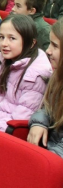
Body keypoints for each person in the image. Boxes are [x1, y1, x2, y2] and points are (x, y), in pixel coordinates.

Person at [28, 19, 63, 157]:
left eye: (55, 46)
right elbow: (47, 108)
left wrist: (42, 161)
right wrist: (39, 123)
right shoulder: (57, 77)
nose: (48, 51)